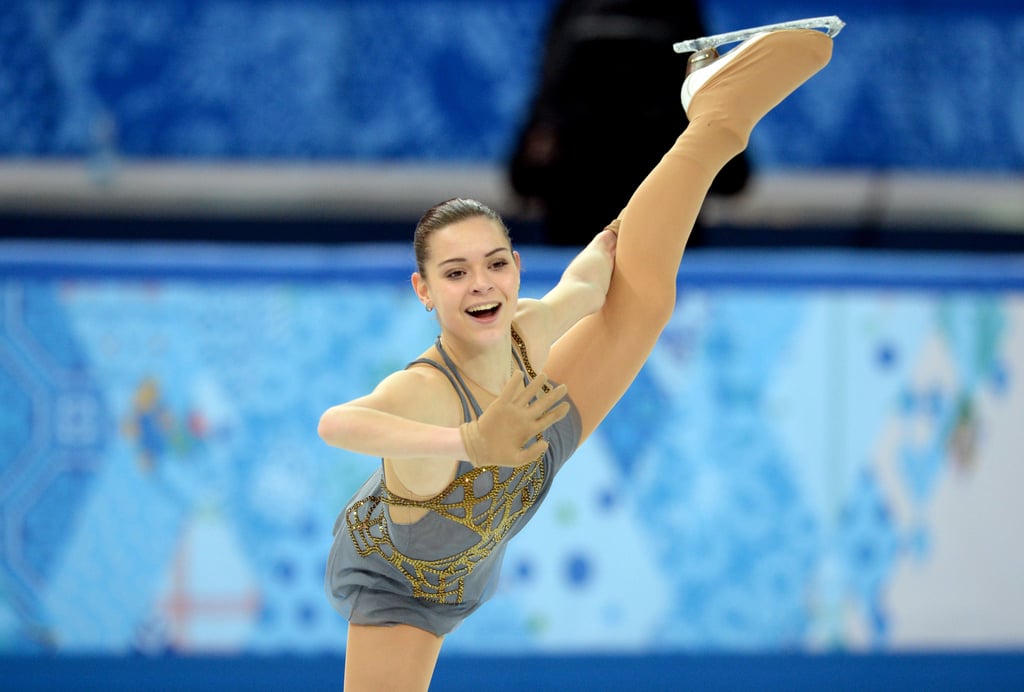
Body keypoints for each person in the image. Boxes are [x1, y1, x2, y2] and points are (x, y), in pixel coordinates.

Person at [319, 24, 836, 691]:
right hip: (402, 578)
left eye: (495, 265)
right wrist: (470, 439)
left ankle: (714, 125)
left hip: (516, 462)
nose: (481, 284)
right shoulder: (426, 391)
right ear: (423, 291)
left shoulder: (528, 329)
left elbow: (592, 280)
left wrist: (637, 218)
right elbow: (338, 424)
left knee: (641, 306)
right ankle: (708, 123)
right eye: (455, 273)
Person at [507, 0, 750, 247]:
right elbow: (732, 179)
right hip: (660, 226)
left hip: (582, 219)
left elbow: (524, 177)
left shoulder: (575, 20)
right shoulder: (678, 24)